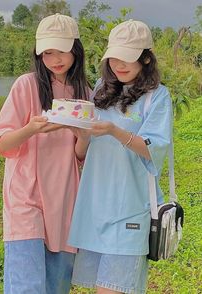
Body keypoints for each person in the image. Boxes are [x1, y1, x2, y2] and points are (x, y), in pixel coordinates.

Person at [68, 19, 173, 294]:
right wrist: (82, 133)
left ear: (146, 59)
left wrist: (115, 130)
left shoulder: (157, 97)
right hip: (95, 208)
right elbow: (82, 152)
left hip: (129, 210)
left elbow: (154, 149)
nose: (119, 65)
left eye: (127, 58)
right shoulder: (102, 88)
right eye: (113, 58)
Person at [0, 13, 91, 294]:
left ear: (75, 48)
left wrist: (84, 136)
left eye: (61, 50)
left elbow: (80, 157)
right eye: (47, 52)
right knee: (26, 286)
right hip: (26, 196)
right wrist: (31, 129)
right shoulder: (26, 85)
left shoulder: (84, 93)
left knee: (57, 286)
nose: (55, 59)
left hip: (63, 197)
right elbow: (3, 144)